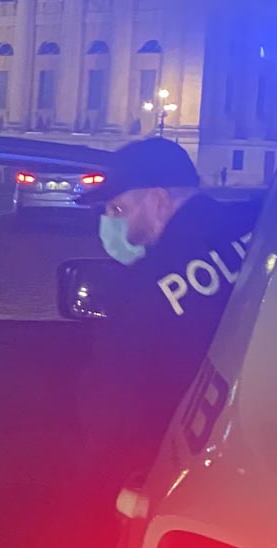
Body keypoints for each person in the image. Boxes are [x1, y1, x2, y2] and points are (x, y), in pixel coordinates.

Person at [79, 137, 260, 501]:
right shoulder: (263, 223)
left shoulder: (142, 287)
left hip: (191, 463)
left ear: (158, 200)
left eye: (118, 209)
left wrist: (104, 483)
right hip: (275, 433)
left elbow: (116, 406)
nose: (111, 223)